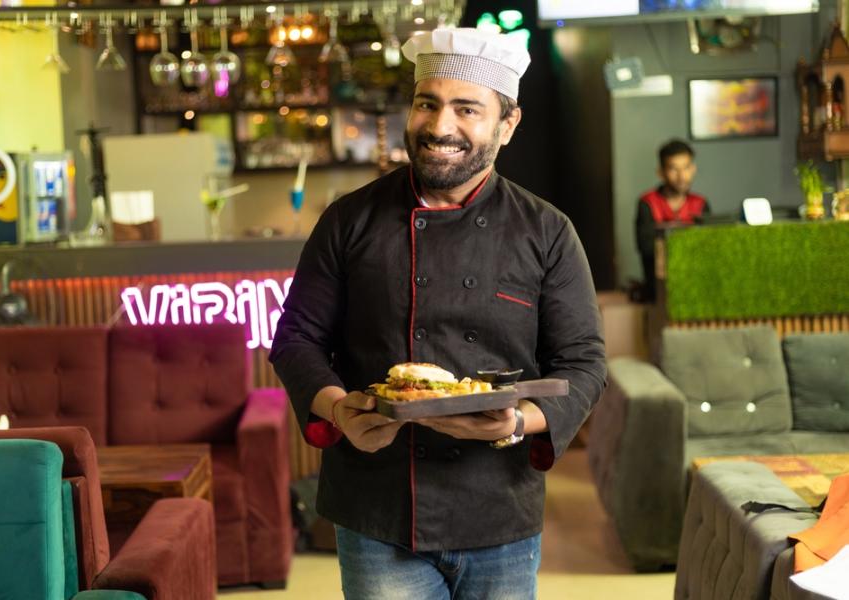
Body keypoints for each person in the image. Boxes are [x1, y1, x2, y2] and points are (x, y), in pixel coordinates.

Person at [270, 27, 606, 600]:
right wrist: (339, 410)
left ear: (507, 124)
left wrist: (519, 421)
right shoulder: (349, 221)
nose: (439, 126)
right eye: (428, 103)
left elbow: (583, 363)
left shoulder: (546, 231)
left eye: (466, 109)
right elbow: (296, 339)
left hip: (497, 506)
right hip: (378, 505)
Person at [635, 139, 710, 301]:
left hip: (697, 287)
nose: (682, 176)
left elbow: (708, 248)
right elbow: (647, 247)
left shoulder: (700, 204)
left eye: (686, 168)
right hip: (658, 290)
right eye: (673, 169)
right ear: (661, 172)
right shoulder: (648, 202)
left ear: (693, 169)